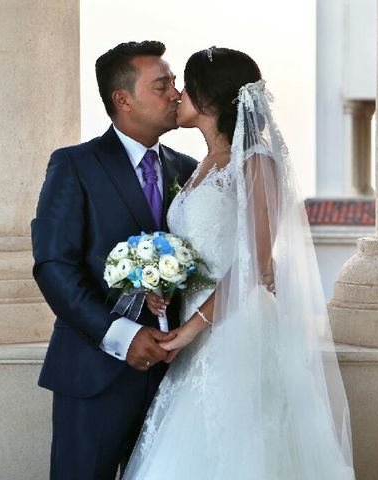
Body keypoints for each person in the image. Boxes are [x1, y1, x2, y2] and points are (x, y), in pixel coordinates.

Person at [122, 46, 356, 479]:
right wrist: (166, 282)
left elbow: (254, 262)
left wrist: (190, 329)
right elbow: (202, 247)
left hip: (236, 332)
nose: (176, 97)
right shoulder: (197, 168)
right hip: (194, 329)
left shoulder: (256, 163)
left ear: (208, 100)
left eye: (185, 88)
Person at [31, 41, 197, 479]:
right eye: (162, 86)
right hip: (93, 374)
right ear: (123, 100)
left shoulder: (192, 169)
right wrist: (119, 333)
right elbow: (53, 264)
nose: (176, 94)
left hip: (175, 380)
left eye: (175, 83)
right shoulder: (74, 165)